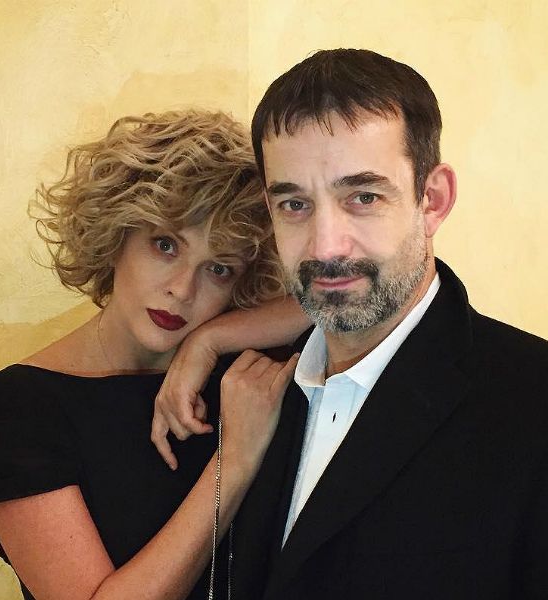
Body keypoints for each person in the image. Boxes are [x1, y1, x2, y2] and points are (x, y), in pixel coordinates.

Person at [152, 50, 548, 599]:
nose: (325, 247)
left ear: (432, 201)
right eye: (295, 204)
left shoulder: (532, 403)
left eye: (363, 196)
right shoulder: (234, 391)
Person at [0, 109, 307, 600]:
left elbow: (369, 295)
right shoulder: (15, 411)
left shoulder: (240, 372)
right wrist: (235, 461)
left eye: (219, 269)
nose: (182, 290)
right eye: (165, 245)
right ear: (117, 232)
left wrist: (208, 342)